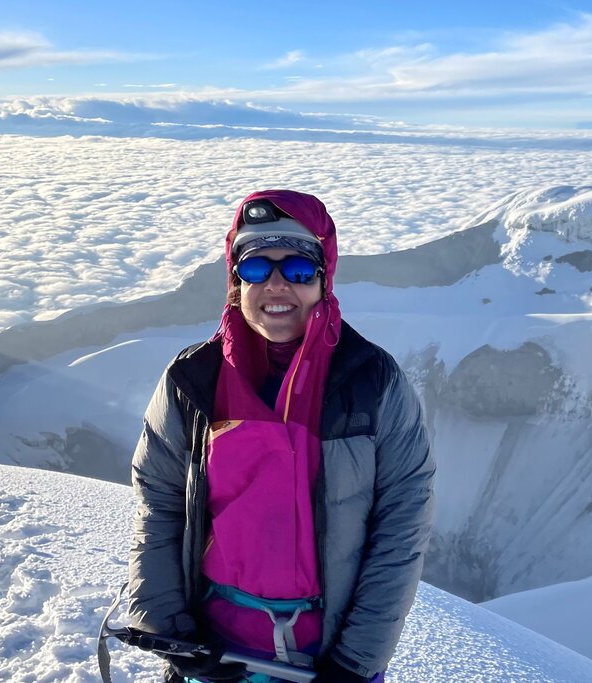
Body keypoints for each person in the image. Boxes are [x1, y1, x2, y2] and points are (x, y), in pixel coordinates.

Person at [126, 189, 435, 683]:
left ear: (323, 279)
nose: (276, 286)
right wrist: (171, 631)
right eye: (254, 268)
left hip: (329, 657)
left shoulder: (371, 382)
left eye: (297, 270)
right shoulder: (193, 381)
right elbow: (159, 504)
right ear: (234, 280)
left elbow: (402, 523)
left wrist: (356, 661)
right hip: (212, 652)